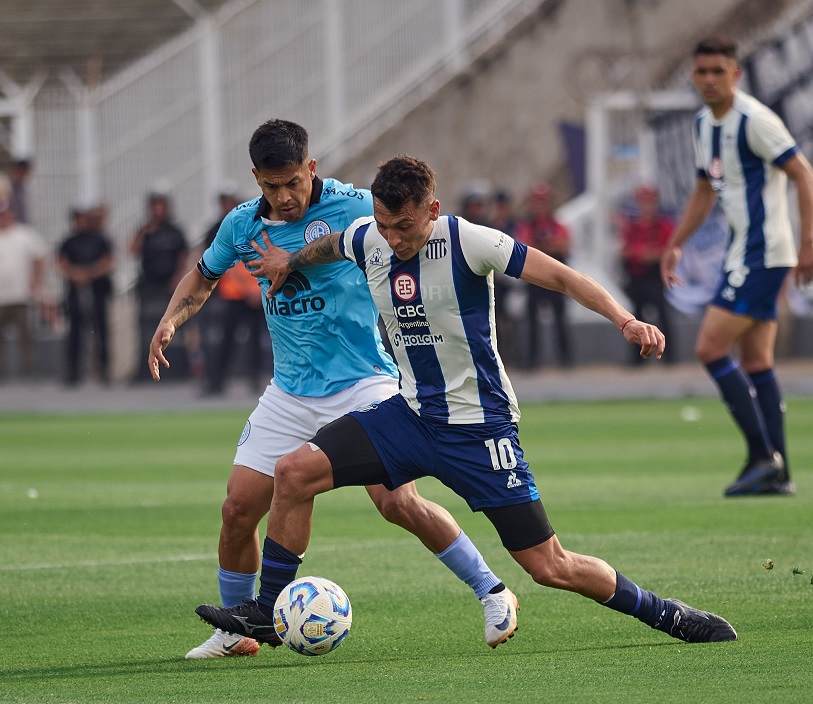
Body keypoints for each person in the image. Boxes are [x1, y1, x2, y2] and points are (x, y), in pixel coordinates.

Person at [197, 155, 737, 648]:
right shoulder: (368, 237)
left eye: (404, 227)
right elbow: (331, 244)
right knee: (294, 472)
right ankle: (267, 612)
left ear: (431, 210)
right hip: (408, 417)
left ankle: (667, 614)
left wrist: (626, 319)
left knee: (550, 566)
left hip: (481, 431)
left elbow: (564, 277)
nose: (393, 238)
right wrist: (290, 263)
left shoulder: (471, 242)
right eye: (384, 225)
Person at [148, 120, 515, 658]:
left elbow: (419, 234)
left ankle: (492, 590)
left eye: (293, 182)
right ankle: (237, 631)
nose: (285, 196)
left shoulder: (356, 207)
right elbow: (203, 277)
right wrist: (169, 321)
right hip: (290, 391)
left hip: (364, 381)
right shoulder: (241, 224)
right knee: (237, 509)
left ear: (311, 168)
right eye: (272, 186)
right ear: (256, 179)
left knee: (396, 503)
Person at [660, 37, 813, 496]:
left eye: (717, 71)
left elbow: (803, 173)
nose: (708, 79)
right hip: (742, 251)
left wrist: (809, 242)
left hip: (765, 252)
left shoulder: (755, 121)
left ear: (735, 74)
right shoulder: (705, 124)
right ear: (693, 75)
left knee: (709, 347)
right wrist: (676, 244)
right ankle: (777, 471)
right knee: (756, 361)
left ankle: (764, 456)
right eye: (701, 72)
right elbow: (706, 190)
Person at [199, 190, 265, 396]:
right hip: (235, 294)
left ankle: (254, 380)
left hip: (253, 294)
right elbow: (218, 262)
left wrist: (256, 290)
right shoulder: (218, 228)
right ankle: (217, 382)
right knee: (227, 339)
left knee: (256, 341)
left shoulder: (251, 225)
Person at [130, 192, 188, 382]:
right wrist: (145, 231)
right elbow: (132, 250)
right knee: (146, 329)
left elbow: (183, 254)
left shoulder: (174, 231)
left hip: (169, 287)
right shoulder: (146, 230)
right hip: (149, 287)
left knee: (172, 327)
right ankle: (146, 370)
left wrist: (178, 277)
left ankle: (176, 369)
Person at [514, 184, 573, 368]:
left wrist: (543, 246)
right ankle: (532, 360)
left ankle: (566, 359)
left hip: (555, 278)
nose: (539, 206)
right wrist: (546, 246)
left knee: (561, 319)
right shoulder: (527, 225)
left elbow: (564, 245)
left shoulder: (557, 224)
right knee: (531, 320)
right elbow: (521, 246)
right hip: (534, 279)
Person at [57, 204, 115, 385]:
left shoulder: (100, 240)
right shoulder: (69, 241)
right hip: (75, 292)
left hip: (98, 291)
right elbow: (61, 263)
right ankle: (73, 371)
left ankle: (104, 370)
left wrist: (89, 274)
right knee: (75, 332)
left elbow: (108, 262)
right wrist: (76, 275)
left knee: (101, 331)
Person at [618, 185, 675, 365]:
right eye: (643, 202)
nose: (646, 206)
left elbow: (670, 250)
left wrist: (652, 255)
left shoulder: (663, 225)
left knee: (663, 317)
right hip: (637, 278)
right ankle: (637, 359)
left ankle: (669, 357)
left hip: (654, 277)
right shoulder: (632, 227)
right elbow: (623, 251)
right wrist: (640, 253)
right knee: (635, 319)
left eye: (649, 202)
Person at [0, 198, 47, 381]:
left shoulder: (24, 234)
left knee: (26, 335)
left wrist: (36, 281)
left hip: (20, 295)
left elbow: (40, 257)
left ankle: (28, 369)